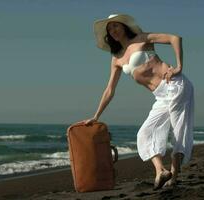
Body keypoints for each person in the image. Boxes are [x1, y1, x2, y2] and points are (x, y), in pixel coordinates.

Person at [82, 13, 195, 190]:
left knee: (178, 132)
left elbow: (175, 38)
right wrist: (96, 116)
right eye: (110, 29)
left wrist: (179, 66)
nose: (113, 31)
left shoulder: (141, 39)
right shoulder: (117, 58)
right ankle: (161, 171)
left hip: (174, 85)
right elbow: (110, 89)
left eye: (116, 26)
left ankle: (174, 177)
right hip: (160, 95)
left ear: (124, 26)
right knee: (144, 134)